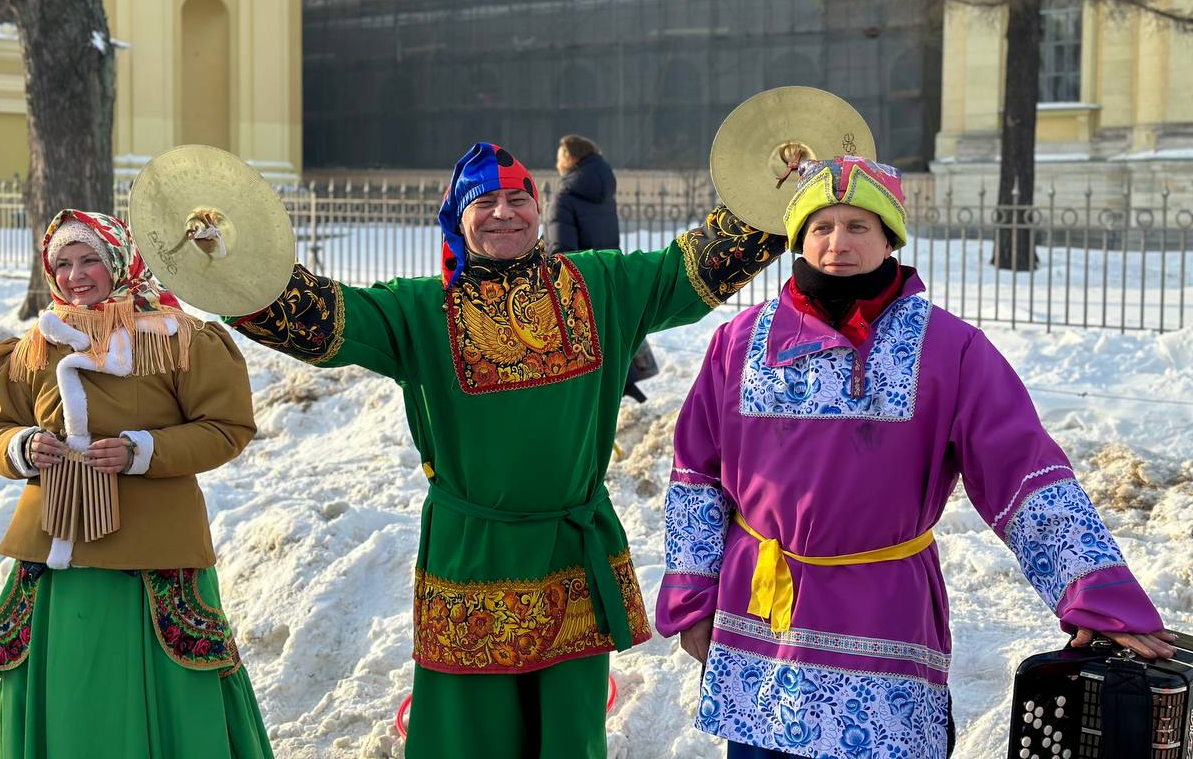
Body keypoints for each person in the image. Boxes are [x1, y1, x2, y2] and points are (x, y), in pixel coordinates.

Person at [225, 142, 786, 759]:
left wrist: (778, 188)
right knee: (470, 735)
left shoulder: (600, 285)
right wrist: (231, 264)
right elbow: (331, 320)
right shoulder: (420, 310)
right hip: (472, 557)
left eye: (518, 198)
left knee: (569, 735)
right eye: (483, 201)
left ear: (538, 207)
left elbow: (691, 268)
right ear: (456, 218)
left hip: (571, 554)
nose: (504, 213)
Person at [655, 156, 1175, 759]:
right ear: (799, 238)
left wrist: (1097, 592)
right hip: (761, 611)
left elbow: (1025, 477)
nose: (837, 243)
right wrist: (693, 595)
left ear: (889, 239)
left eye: (858, 227)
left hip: (880, 608)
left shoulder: (950, 349)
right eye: (821, 227)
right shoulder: (737, 342)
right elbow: (697, 475)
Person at [0, 209, 272, 759]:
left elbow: (227, 428)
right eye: (62, 263)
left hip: (154, 550)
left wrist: (144, 451)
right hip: (54, 548)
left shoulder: (179, 338)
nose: (76, 275)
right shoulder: (36, 346)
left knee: (165, 693)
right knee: (69, 691)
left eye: (90, 259)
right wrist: (22, 447)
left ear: (120, 260)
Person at [548, 134, 653, 403]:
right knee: (608, 333)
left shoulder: (565, 195)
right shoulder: (604, 188)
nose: (557, 160)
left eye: (560, 154)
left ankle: (607, 392)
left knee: (585, 344)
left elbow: (561, 250)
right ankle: (625, 382)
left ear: (570, 157)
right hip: (606, 272)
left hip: (578, 280)